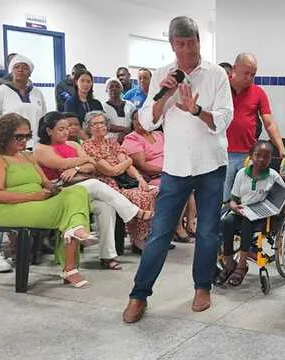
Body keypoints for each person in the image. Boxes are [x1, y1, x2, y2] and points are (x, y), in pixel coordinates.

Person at [122, 16, 233, 323]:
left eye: (191, 43)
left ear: (199, 41)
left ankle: (202, 287)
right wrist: (166, 95)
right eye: (180, 44)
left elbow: (224, 119)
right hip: (175, 167)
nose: (186, 50)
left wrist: (197, 110)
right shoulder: (162, 74)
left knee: (208, 232)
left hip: (211, 164)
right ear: (172, 45)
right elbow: (147, 121)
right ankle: (139, 295)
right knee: (159, 232)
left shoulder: (216, 75)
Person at [34, 111, 154, 270]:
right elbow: (60, 164)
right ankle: (134, 211)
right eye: (61, 129)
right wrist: (84, 161)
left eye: (66, 128)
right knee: (95, 184)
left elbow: (91, 167)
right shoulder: (41, 148)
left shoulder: (74, 144)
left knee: (106, 207)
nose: (66, 132)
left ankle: (108, 256)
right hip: (58, 191)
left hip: (78, 187)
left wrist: (76, 167)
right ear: (49, 131)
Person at [0, 113, 96, 288]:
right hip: (11, 208)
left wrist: (56, 190)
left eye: (28, 136)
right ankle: (70, 268)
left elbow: (46, 184)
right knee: (71, 212)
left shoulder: (28, 156)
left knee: (77, 192)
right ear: (5, 135)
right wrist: (34, 196)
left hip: (38, 202)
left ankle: (76, 231)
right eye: (19, 136)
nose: (24, 140)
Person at [81, 111, 157, 253]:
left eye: (102, 123)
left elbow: (126, 166)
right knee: (138, 196)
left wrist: (140, 178)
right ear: (88, 127)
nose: (99, 126)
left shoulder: (112, 142)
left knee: (151, 191)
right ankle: (139, 241)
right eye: (95, 124)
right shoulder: (87, 146)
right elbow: (111, 171)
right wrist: (128, 161)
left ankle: (144, 237)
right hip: (106, 183)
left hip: (124, 181)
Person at [216, 141, 285, 286]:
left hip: (263, 216)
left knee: (247, 223)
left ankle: (242, 265)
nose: (261, 159)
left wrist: (276, 206)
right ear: (250, 156)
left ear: (271, 159)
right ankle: (229, 263)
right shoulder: (242, 174)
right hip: (242, 210)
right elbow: (233, 200)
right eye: (257, 155)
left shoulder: (273, 176)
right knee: (226, 222)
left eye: (266, 157)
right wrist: (235, 207)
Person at [121, 112, 196, 242]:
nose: (139, 122)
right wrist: (167, 170)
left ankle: (190, 225)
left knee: (188, 185)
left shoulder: (159, 134)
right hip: (152, 177)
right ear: (132, 122)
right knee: (178, 187)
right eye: (136, 120)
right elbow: (142, 165)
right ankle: (177, 227)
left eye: (142, 119)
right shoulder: (132, 138)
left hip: (171, 172)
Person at [224, 53, 285, 203]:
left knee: (246, 198)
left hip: (248, 155)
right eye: (246, 73)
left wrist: (282, 149)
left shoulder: (258, 93)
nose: (250, 78)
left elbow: (269, 123)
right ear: (234, 69)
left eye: (253, 74)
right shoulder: (221, 89)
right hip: (222, 154)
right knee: (224, 198)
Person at [0, 54, 46, 148]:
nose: (20, 70)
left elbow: (43, 118)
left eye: (25, 68)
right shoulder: (1, 90)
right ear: (11, 71)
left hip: (35, 144)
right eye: (16, 67)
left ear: (30, 73)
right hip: (9, 145)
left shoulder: (37, 92)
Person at [102, 78, 136, 142]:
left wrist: (125, 133)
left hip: (129, 140)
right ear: (106, 90)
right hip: (109, 142)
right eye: (111, 87)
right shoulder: (102, 106)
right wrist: (124, 129)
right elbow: (104, 125)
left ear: (121, 89)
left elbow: (135, 121)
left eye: (117, 86)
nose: (114, 88)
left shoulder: (130, 105)